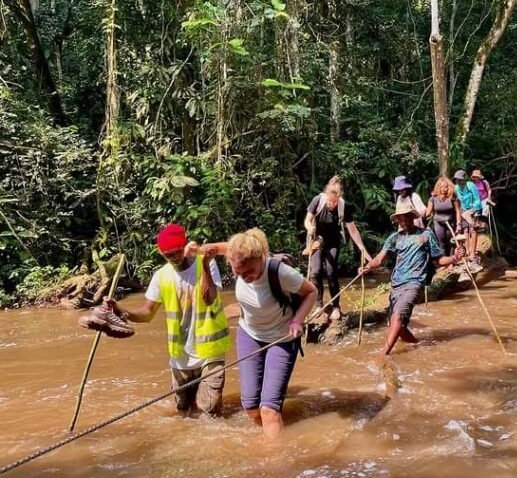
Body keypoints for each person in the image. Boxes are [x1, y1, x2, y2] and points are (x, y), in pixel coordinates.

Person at [105, 223, 231, 417]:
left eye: (176, 252)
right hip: (180, 357)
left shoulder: (205, 263)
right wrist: (120, 309)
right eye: (168, 254)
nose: (173, 258)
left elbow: (210, 298)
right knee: (183, 413)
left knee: (210, 412)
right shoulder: (161, 276)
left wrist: (205, 263)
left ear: (185, 245)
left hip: (210, 352)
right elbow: (147, 314)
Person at [227, 228, 317, 439]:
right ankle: (270, 432)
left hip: (282, 338)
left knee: (268, 410)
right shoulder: (236, 255)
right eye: (237, 273)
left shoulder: (280, 273)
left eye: (248, 272)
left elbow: (311, 292)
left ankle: (275, 464)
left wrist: (298, 320)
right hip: (249, 333)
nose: (243, 277)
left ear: (261, 258)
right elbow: (217, 249)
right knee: (250, 408)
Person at [360, 203, 464, 353]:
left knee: (397, 317)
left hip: (415, 282)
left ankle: (384, 353)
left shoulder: (426, 235)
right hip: (396, 284)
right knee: (397, 326)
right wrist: (368, 266)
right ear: (397, 220)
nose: (404, 221)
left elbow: (439, 259)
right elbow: (379, 260)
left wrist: (454, 258)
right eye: (401, 219)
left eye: (407, 217)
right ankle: (417, 344)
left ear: (412, 217)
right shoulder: (394, 238)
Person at [304, 176, 371, 320]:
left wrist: (362, 249)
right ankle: (318, 305)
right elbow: (307, 220)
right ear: (326, 196)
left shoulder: (343, 206)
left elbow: (352, 230)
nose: (332, 205)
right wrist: (309, 228)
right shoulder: (318, 200)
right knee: (315, 272)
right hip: (316, 239)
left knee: (331, 272)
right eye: (330, 201)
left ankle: (336, 307)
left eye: (335, 202)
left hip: (333, 241)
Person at [453, 169, 482, 267]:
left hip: (474, 209)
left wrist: (472, 211)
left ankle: (472, 253)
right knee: (465, 230)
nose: (459, 182)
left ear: (464, 180)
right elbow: (459, 202)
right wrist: (461, 214)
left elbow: (478, 200)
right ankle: (466, 252)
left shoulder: (471, 186)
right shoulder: (456, 188)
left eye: (461, 180)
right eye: (457, 180)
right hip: (464, 211)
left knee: (473, 230)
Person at [425, 177, 459, 256]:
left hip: (450, 222)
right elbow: (428, 211)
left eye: (445, 187)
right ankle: (444, 261)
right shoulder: (433, 198)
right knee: (441, 243)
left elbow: (457, 211)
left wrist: (458, 223)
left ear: (449, 187)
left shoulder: (452, 198)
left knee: (451, 242)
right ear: (438, 188)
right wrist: (420, 215)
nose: (444, 189)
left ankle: (452, 261)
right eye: (442, 187)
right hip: (438, 222)